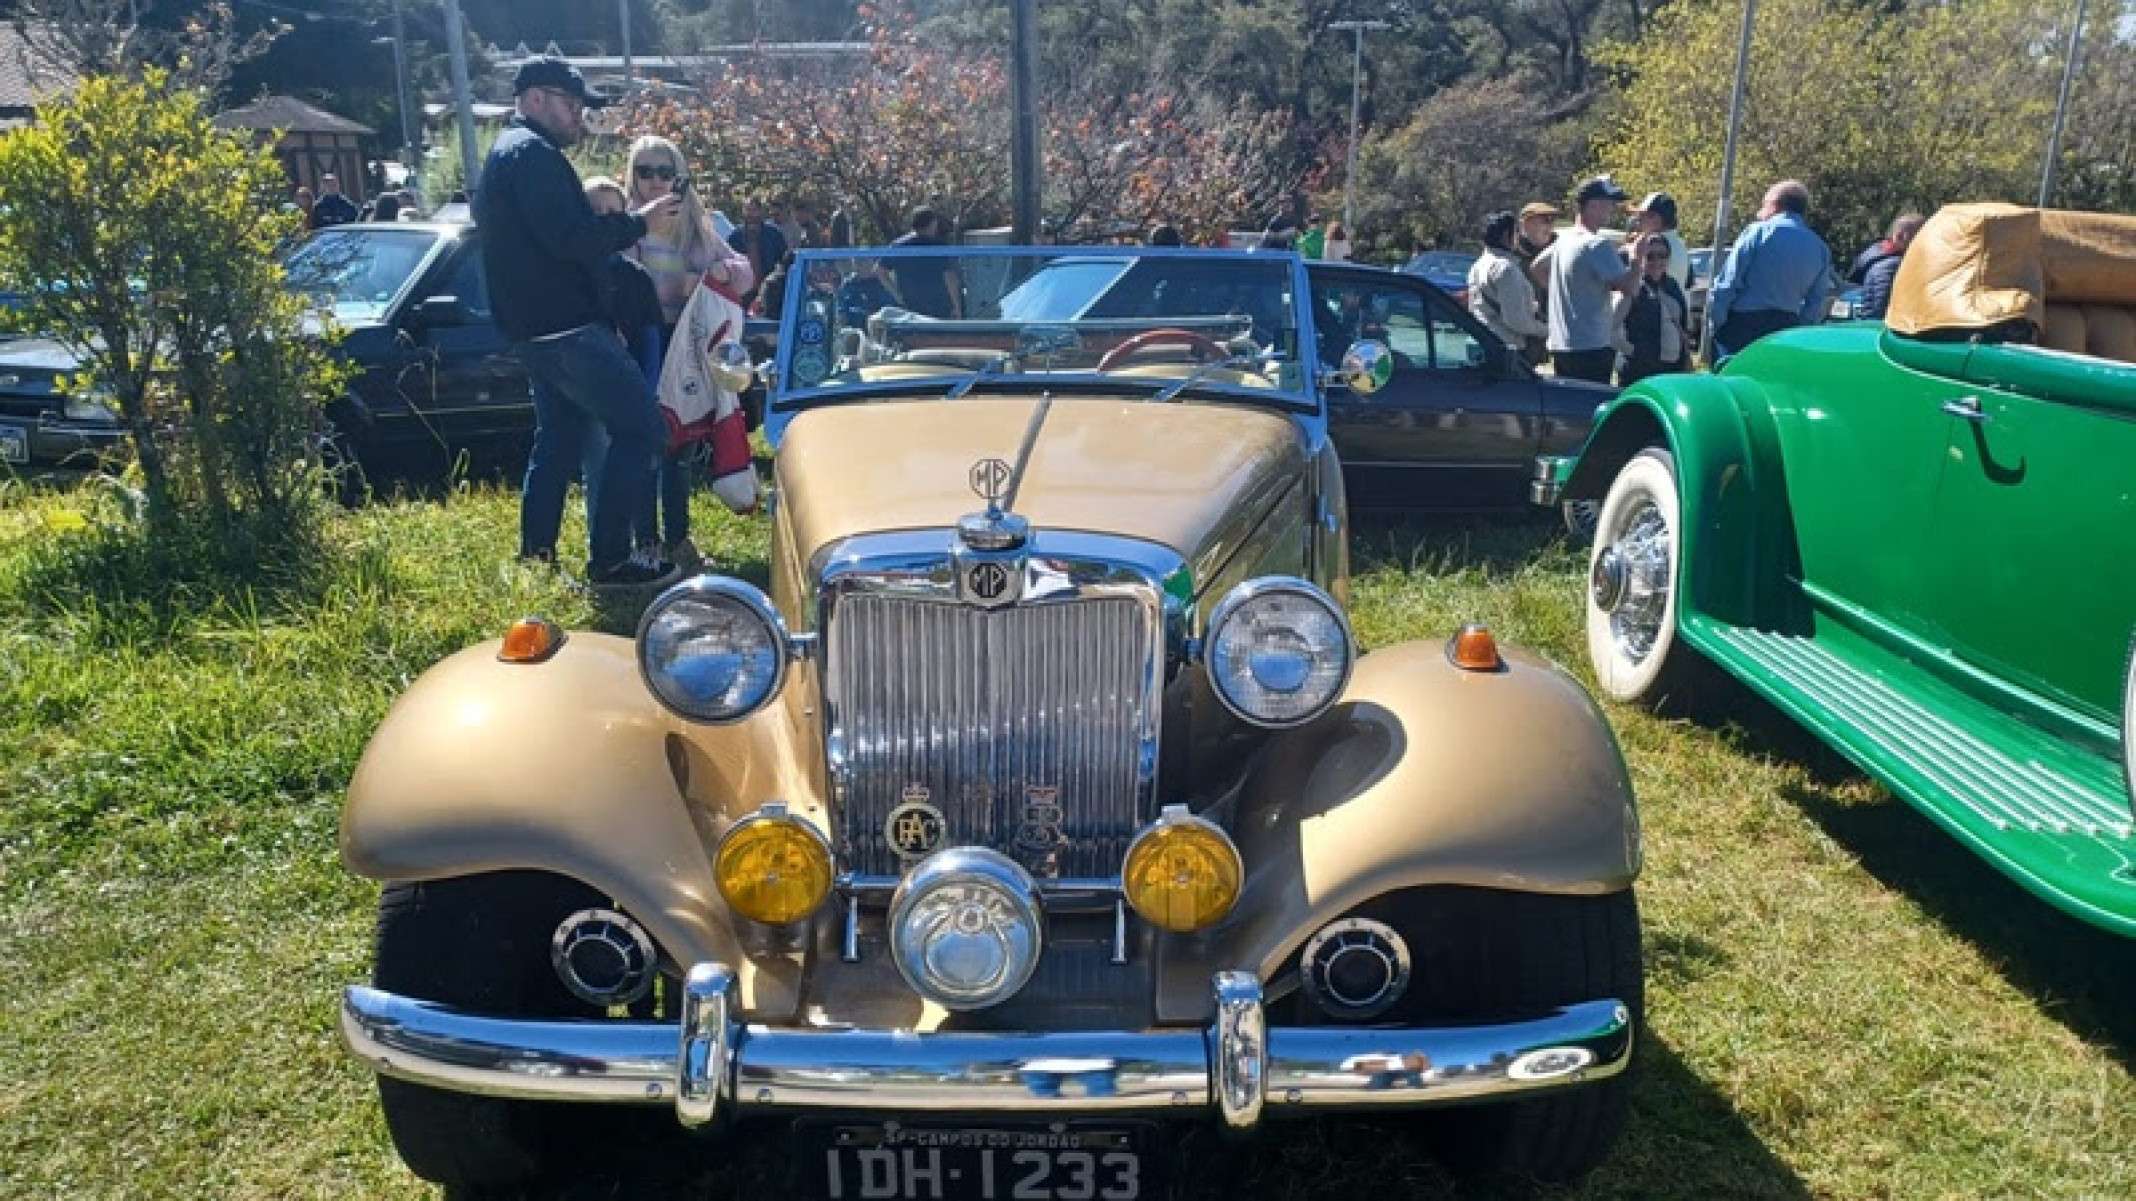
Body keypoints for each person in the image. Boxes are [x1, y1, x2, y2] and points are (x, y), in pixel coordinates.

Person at [475, 55, 681, 585]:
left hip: (533, 333)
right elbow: (572, 240)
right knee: (642, 429)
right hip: (566, 329)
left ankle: (536, 561)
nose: (579, 118)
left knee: (558, 440)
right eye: (571, 105)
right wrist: (638, 222)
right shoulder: (533, 156)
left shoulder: (508, 153)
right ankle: (611, 560)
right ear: (535, 99)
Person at [621, 135, 754, 568]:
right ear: (632, 176)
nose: (656, 180)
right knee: (644, 445)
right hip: (642, 340)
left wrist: (721, 269)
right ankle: (645, 541)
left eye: (666, 171)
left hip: (687, 343)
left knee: (677, 447)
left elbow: (746, 274)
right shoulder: (627, 223)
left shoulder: (700, 223)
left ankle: (678, 539)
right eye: (646, 171)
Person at [1535, 177, 1655, 384]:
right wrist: (1637, 259)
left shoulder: (1565, 239)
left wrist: (1569, 293)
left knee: (1567, 408)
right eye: (1609, 203)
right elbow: (1630, 288)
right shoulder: (1596, 244)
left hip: (1561, 344)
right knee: (1589, 408)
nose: (1612, 209)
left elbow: (1537, 267)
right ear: (1593, 205)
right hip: (1591, 346)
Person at [1709, 180, 1834, 358]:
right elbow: (1816, 301)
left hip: (1743, 326)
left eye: (1763, 205)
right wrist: (1798, 330)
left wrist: (1717, 324)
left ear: (1774, 205)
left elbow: (1728, 282)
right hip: (1786, 328)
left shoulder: (1758, 233)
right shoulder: (1819, 247)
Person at [1612, 235, 1692, 386]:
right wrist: (1633, 351)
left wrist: (1686, 357)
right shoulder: (1632, 286)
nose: (1656, 262)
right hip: (1638, 372)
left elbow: (1682, 325)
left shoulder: (1672, 285)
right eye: (1650, 256)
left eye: (1662, 256)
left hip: (1672, 370)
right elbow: (1612, 326)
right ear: (1641, 258)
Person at [1466, 211, 1548, 353]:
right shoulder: (1505, 268)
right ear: (1505, 236)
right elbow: (1517, 321)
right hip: (1506, 347)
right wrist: (1547, 330)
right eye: (1516, 231)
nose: (1519, 236)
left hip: (1482, 340)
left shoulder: (1478, 265)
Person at [886, 206, 962, 319]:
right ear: (932, 223)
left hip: (910, 308)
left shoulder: (898, 246)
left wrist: (897, 295)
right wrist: (957, 307)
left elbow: (879, 270)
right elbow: (950, 277)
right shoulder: (940, 247)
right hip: (938, 307)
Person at [1848, 212, 1923, 322]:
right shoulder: (1891, 266)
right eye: (1918, 236)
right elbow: (1881, 308)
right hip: (1881, 331)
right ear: (1900, 236)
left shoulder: (1884, 259)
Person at [734, 197, 789, 305]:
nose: (750, 214)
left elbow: (784, 260)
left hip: (768, 290)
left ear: (760, 211)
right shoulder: (735, 236)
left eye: (754, 210)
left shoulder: (773, 234)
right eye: (747, 210)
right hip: (743, 291)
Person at [1631, 192, 1689, 289]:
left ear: (1657, 218)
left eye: (1642, 215)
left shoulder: (1654, 245)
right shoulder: (1680, 245)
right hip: (1677, 302)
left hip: (1658, 303)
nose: (1639, 220)